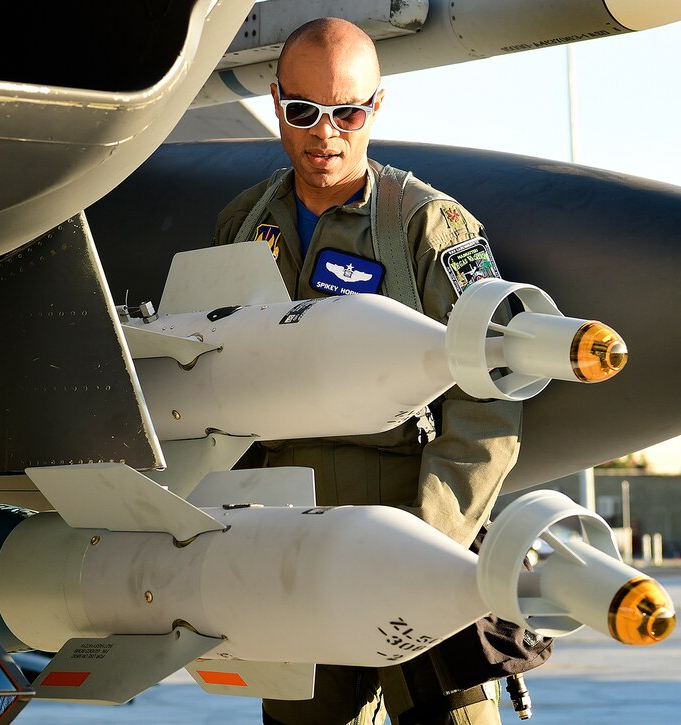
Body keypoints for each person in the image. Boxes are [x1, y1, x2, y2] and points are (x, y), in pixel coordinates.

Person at [212, 18, 523, 725]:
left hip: (409, 540)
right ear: (275, 103)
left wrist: (422, 547)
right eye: (304, 112)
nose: (326, 134)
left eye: (348, 112)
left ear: (376, 107)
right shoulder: (240, 226)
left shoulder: (426, 226)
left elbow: (490, 403)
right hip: (291, 557)